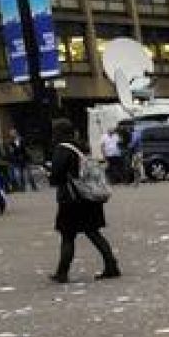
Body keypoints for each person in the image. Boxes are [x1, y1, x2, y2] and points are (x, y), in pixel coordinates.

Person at [48, 118, 120, 283]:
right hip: (89, 196)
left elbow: (57, 176)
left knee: (67, 236)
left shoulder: (62, 149)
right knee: (93, 233)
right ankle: (111, 265)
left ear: (58, 133)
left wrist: (50, 175)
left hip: (71, 199)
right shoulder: (81, 147)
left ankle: (62, 272)